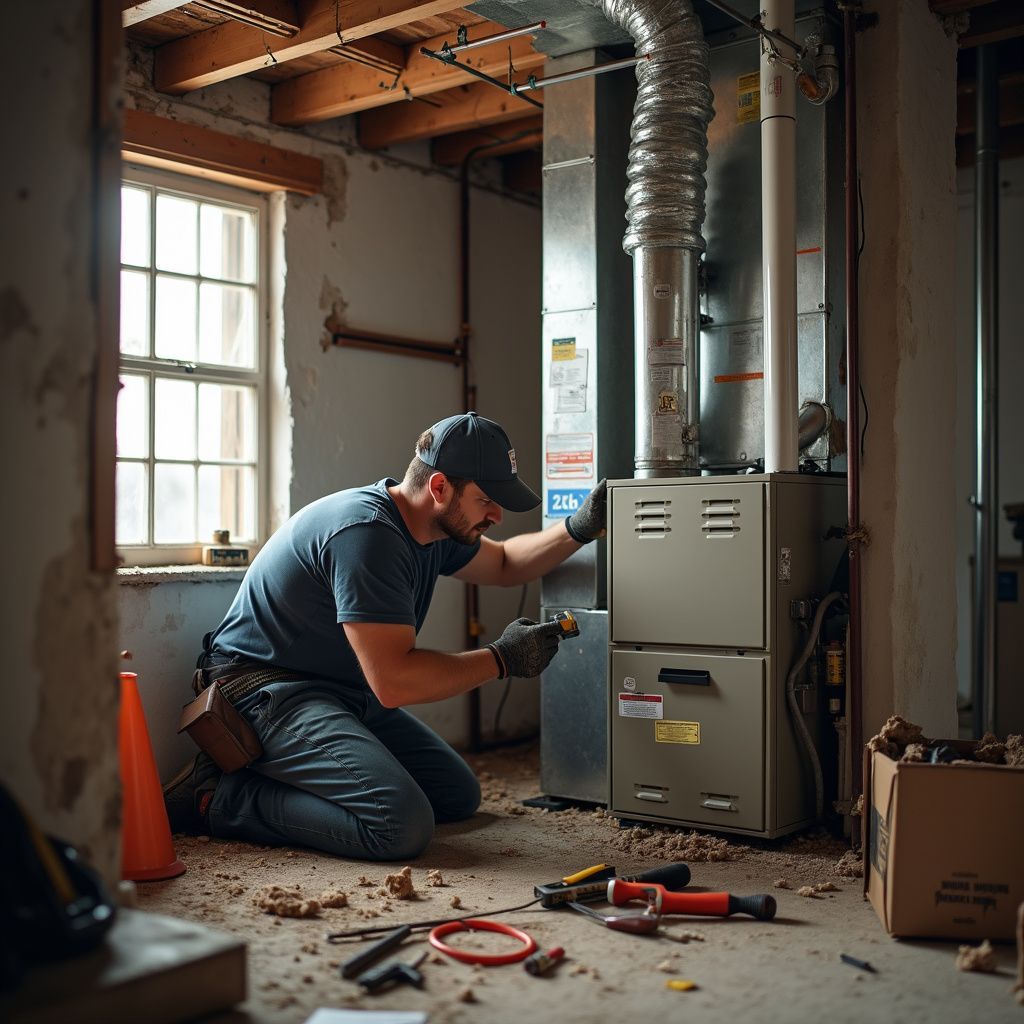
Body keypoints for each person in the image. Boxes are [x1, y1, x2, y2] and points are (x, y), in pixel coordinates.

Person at [163, 411, 606, 861]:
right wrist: (502, 659)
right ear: (439, 487)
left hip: (336, 690)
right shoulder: (368, 535)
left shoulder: (434, 528)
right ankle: (216, 797)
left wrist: (580, 527)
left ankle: (278, 775)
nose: (496, 515)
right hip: (266, 692)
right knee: (399, 824)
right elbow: (394, 683)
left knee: (454, 795)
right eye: (488, 500)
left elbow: (507, 564)